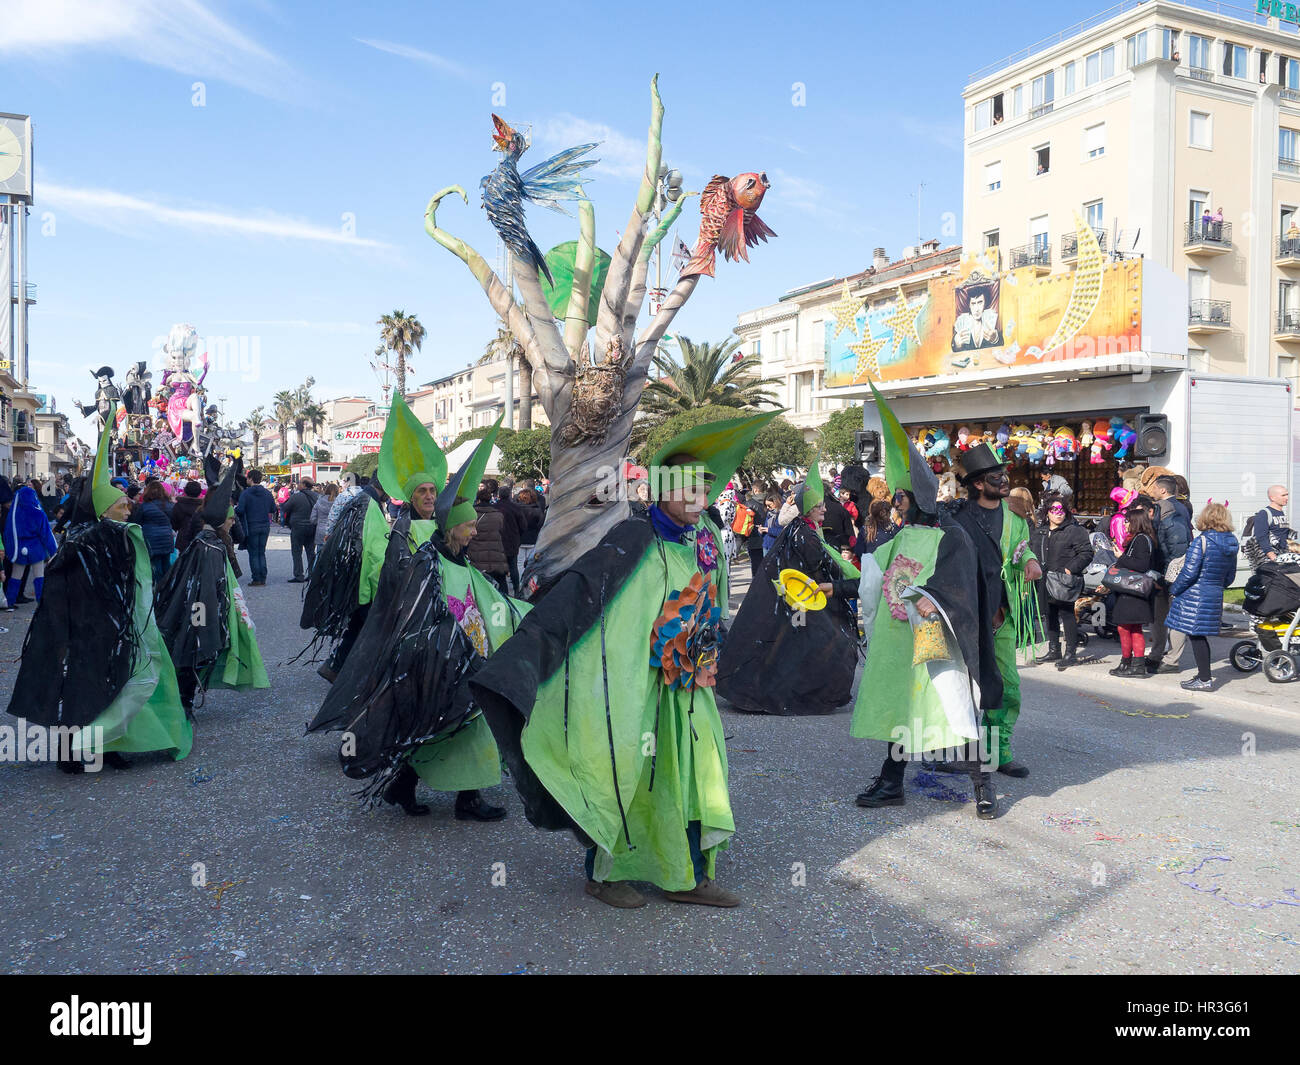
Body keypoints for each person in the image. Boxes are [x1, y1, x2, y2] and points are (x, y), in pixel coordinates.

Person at [471, 411, 776, 909]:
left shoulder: (706, 541)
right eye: (689, 488)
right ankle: (603, 875)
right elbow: (580, 596)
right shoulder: (633, 538)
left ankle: (687, 876)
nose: (700, 498)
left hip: (690, 691)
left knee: (696, 776)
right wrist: (531, 647)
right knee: (622, 772)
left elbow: (711, 607)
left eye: (705, 488)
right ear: (662, 490)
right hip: (635, 692)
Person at [308, 405, 517, 823]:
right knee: (440, 714)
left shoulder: (455, 549)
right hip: (425, 643)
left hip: (457, 648)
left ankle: (430, 789)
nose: (426, 497)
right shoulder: (406, 534)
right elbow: (400, 584)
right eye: (419, 491)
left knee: (449, 716)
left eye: (430, 491)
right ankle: (433, 789)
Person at [7, 405, 191, 772]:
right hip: (89, 630)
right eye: (123, 505)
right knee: (86, 688)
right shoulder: (85, 541)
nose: (129, 508)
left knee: (126, 684)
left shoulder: (121, 536)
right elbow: (63, 585)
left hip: (118, 627)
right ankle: (72, 752)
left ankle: (111, 744)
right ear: (107, 509)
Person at [850, 386, 1000, 819]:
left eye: (900, 496)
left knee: (956, 709)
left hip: (941, 643)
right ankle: (892, 780)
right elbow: (871, 579)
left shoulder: (953, 535)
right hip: (902, 644)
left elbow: (964, 583)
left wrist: (935, 600)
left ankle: (982, 785)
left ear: (916, 499)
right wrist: (832, 589)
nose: (895, 502)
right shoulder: (899, 537)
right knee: (903, 708)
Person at [716, 456, 861, 716]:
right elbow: (814, 569)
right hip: (803, 598)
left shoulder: (803, 529)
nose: (824, 511)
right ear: (807, 510)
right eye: (819, 508)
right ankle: (801, 694)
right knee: (821, 645)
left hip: (799, 598)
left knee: (794, 648)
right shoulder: (805, 534)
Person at [944, 440, 1042, 777]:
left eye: (1004, 473)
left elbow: (1021, 549)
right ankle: (960, 751)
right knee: (961, 689)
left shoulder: (1015, 520)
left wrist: (1029, 560)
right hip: (966, 616)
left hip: (1001, 618)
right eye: (995, 475)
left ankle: (998, 752)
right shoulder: (957, 516)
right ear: (977, 484)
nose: (1004, 480)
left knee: (1006, 687)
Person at [155, 458, 270, 719]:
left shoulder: (210, 541)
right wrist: (207, 621)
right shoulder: (209, 546)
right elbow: (204, 587)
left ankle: (186, 698)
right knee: (193, 652)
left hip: (199, 610)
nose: (232, 523)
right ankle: (184, 701)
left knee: (194, 654)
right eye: (230, 520)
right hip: (199, 612)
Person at [1167, 502, 1239, 691]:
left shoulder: (1202, 541)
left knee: (1196, 635)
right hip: (1214, 593)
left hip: (1195, 594)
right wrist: (1216, 585)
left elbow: (1189, 572)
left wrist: (1174, 589)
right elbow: (1230, 576)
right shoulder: (1232, 542)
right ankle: (1203, 676)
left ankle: (1205, 679)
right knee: (1198, 635)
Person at [1030, 494, 1092, 670]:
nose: (1058, 513)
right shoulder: (1040, 531)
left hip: (1064, 580)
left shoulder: (1075, 530)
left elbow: (1086, 553)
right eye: (1054, 510)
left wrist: (1070, 568)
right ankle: (1054, 649)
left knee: (1067, 615)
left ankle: (1070, 654)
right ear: (1047, 512)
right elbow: (1032, 550)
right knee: (1049, 615)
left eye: (1061, 510)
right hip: (1044, 579)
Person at [1147, 474, 1194, 674]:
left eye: (1154, 488)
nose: (1152, 491)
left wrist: (1167, 573)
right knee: (1161, 615)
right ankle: (1158, 654)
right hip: (1167, 570)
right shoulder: (1181, 507)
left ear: (1163, 490)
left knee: (1172, 615)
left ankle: (1170, 658)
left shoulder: (1168, 509)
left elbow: (1175, 546)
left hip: (1170, 571)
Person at [1107, 504, 1158, 677]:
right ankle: (1134, 665)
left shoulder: (1141, 539)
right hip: (1135, 592)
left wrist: (1121, 557)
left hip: (1133, 591)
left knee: (1125, 627)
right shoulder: (1144, 538)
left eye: (1128, 521)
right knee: (1133, 628)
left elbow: (1141, 565)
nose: (1125, 525)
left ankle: (1129, 663)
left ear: (1136, 522)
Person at [4, 482, 58, 606]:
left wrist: (9, 550)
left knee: (16, 576)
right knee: (39, 575)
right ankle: (41, 602)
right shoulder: (38, 513)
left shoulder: (14, 514)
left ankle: (10, 602)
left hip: (20, 547)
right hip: (36, 548)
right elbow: (47, 535)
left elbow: (8, 532)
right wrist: (54, 551)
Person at [236, 469, 277, 587]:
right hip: (265, 525)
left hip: (251, 525)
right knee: (261, 552)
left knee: (253, 553)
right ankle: (263, 577)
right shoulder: (267, 493)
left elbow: (240, 510)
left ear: (250, 479)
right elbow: (273, 509)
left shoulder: (246, 493)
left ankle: (256, 579)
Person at [130, 480, 176, 584]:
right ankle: (167, 588)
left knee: (154, 565)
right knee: (166, 563)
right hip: (167, 538)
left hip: (151, 539)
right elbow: (174, 521)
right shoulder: (170, 505)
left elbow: (137, 522)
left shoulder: (144, 506)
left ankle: (156, 589)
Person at [468, 487, 510, 595]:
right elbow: (504, 534)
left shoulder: (472, 514)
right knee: (501, 588)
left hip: (476, 555)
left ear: (478, 499)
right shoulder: (498, 515)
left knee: (480, 589)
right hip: (496, 556)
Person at [490, 480, 528, 595]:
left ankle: (502, 591)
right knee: (513, 566)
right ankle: (516, 589)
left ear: (499, 495)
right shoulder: (515, 508)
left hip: (498, 542)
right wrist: (518, 536)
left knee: (500, 568)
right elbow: (523, 526)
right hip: (512, 541)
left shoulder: (494, 508)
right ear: (510, 494)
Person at [282, 477, 320, 583]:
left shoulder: (296, 496)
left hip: (298, 527)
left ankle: (299, 575)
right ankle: (312, 574)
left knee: (296, 551)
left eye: (299, 483)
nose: (297, 484)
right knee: (311, 551)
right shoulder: (317, 496)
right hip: (312, 527)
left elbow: (285, 507)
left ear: (304, 484)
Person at [1252, 484, 1294, 562]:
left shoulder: (1281, 513)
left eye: (1287, 494)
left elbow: (1283, 535)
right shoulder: (1264, 513)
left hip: (1283, 555)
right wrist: (1273, 557)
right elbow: (1261, 537)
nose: (1287, 498)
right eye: (1283, 495)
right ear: (1272, 497)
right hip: (1270, 560)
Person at [515, 486, 544, 571]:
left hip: (519, 539)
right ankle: (527, 581)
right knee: (530, 562)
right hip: (532, 538)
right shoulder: (537, 510)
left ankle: (520, 581)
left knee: (519, 562)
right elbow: (540, 524)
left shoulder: (516, 510)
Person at [312, 481, 338, 546]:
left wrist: (318, 523)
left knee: (320, 552)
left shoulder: (319, 501)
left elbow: (312, 518)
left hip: (320, 530)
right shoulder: (338, 502)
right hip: (334, 531)